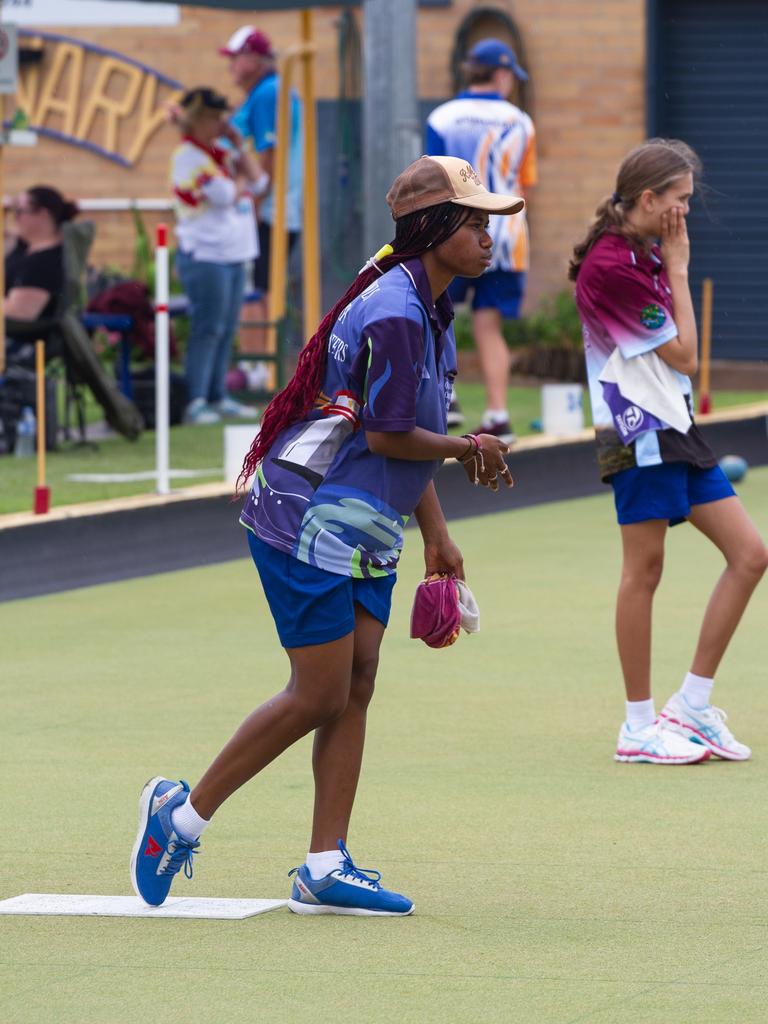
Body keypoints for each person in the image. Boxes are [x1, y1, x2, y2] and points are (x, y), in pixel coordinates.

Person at [130, 155, 523, 915]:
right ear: (433, 228)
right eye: (475, 223)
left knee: (359, 682)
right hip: (308, 518)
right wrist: (471, 448)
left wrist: (435, 531)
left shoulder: (426, 303)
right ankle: (178, 817)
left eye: (489, 223)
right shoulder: (402, 313)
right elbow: (388, 436)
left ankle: (323, 866)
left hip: (362, 522)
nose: (489, 238)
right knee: (320, 692)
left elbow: (413, 428)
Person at [570, 138, 768, 765]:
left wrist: (669, 261)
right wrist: (679, 268)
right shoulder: (610, 267)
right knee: (645, 571)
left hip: (674, 424)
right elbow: (685, 355)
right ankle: (636, 726)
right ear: (649, 198)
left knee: (751, 554)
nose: (685, 213)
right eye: (679, 201)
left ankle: (692, 705)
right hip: (639, 430)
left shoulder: (640, 251)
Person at [426, 38, 537, 441]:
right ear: (503, 74)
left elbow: (432, 181)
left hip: (450, 229)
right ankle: (498, 415)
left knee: (436, 313)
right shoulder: (521, 121)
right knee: (489, 326)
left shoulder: (443, 117)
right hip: (505, 233)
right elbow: (527, 186)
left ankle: (445, 401)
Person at [171, 87, 261, 424]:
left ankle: (217, 395)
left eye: (220, 118)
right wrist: (239, 178)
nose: (218, 124)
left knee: (225, 328)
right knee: (207, 327)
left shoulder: (219, 153)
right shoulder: (187, 157)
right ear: (195, 121)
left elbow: (260, 179)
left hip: (234, 251)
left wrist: (239, 147)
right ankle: (196, 399)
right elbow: (223, 195)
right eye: (211, 118)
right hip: (205, 253)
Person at [220, 26, 302, 350]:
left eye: (235, 58)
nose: (230, 66)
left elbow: (271, 153)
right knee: (262, 284)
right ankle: (261, 362)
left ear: (254, 58)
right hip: (278, 207)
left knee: (256, 286)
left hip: (271, 210)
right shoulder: (266, 92)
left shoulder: (269, 93)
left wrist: (253, 201)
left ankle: (259, 364)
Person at [4, 185, 78, 364]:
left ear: (43, 215)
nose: (15, 217)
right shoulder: (24, 249)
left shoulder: (47, 261)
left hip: (26, 346)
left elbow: (19, 313)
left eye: (19, 211)